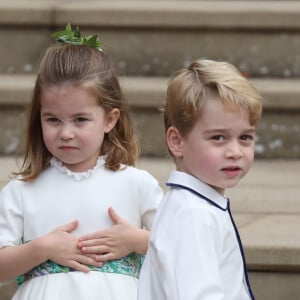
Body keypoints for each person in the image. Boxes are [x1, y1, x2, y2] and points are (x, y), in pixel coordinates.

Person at [0, 25, 163, 300]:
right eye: (53, 119)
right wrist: (43, 248)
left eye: (80, 120)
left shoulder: (136, 184)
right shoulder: (22, 190)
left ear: (109, 120)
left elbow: (181, 243)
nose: (65, 132)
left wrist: (136, 240)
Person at [138, 59, 262, 300]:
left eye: (245, 137)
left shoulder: (196, 205)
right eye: (218, 138)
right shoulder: (193, 214)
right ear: (176, 141)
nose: (235, 151)